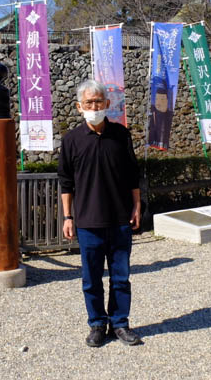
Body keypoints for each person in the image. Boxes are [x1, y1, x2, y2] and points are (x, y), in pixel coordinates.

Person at [59, 79, 142, 347]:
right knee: (91, 279)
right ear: (79, 106)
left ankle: (120, 323)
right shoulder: (71, 140)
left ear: (107, 103)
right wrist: (68, 217)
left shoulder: (121, 135)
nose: (94, 106)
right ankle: (97, 324)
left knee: (121, 277)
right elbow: (66, 182)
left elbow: (133, 175)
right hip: (87, 221)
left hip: (119, 218)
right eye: (88, 102)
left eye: (98, 101)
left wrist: (137, 206)